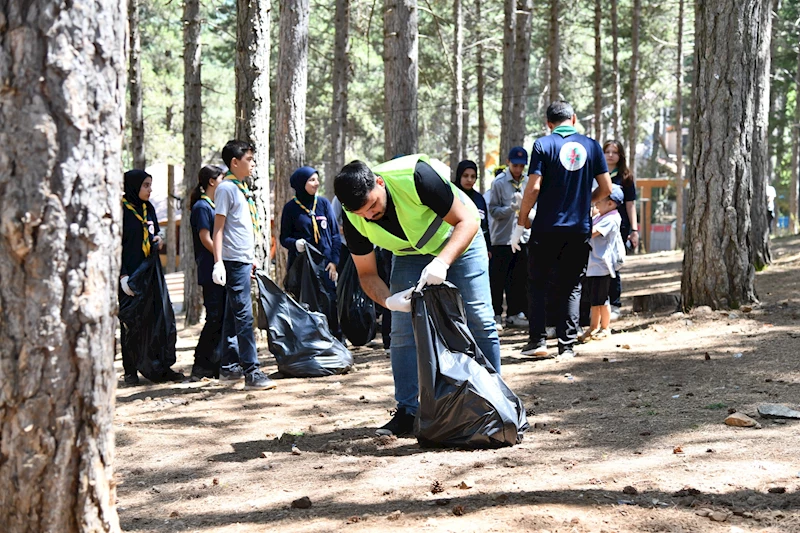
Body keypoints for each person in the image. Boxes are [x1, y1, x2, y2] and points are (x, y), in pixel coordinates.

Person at [334, 155, 499, 437]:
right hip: (409, 254)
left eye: (373, 204)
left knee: (479, 318)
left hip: (458, 237)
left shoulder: (417, 177)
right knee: (402, 330)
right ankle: (407, 411)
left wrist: (442, 262)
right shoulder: (353, 217)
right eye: (362, 213)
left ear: (379, 182)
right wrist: (388, 302)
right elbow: (367, 274)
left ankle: (496, 403)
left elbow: (468, 220)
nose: (370, 215)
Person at [511, 100, 612, 359]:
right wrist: (584, 202)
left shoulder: (543, 145)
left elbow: (533, 188)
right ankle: (567, 345)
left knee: (537, 283)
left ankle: (538, 342)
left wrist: (522, 220)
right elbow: (606, 189)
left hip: (546, 227)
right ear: (574, 119)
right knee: (572, 285)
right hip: (578, 228)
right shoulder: (591, 146)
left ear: (549, 124)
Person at [212, 140, 276, 390]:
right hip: (232, 260)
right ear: (234, 162)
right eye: (248, 159)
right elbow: (219, 228)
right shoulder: (227, 189)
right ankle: (252, 371)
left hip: (242, 258)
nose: (252, 164)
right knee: (243, 314)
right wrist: (218, 262)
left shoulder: (240, 189)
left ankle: (229, 366)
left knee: (233, 312)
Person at [119, 169, 184, 385]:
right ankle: (130, 370)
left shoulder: (148, 208)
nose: (149, 189)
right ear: (133, 186)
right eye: (145, 185)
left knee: (157, 317)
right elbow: (116, 246)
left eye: (150, 185)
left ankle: (157, 365)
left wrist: (159, 240)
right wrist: (123, 275)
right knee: (131, 321)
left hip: (151, 271)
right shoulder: (121, 211)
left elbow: (155, 233)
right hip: (130, 275)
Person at [280, 166, 342, 339]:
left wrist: (334, 261)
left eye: (317, 179)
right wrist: (295, 244)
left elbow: (335, 234)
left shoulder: (323, 204)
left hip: (324, 264)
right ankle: (308, 341)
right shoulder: (291, 208)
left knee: (329, 301)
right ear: (301, 184)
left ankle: (335, 338)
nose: (316, 183)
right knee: (304, 303)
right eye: (312, 180)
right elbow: (283, 238)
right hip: (301, 265)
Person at [189, 165, 226, 381]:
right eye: (221, 178)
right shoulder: (202, 207)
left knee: (220, 316)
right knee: (214, 317)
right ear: (212, 181)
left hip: (218, 266)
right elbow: (205, 238)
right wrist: (220, 258)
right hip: (209, 268)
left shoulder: (214, 205)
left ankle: (215, 363)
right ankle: (200, 364)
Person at [489, 147, 530, 329]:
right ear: (508, 162)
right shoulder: (498, 183)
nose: (518, 169)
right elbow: (493, 210)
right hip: (502, 239)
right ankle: (496, 314)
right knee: (498, 279)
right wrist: (510, 209)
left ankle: (514, 313)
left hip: (522, 237)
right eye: (515, 165)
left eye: (522, 166)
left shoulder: (528, 182)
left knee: (519, 278)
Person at [579, 185, 625, 342]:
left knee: (602, 298)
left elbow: (591, 232)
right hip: (594, 264)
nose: (595, 203)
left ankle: (605, 327)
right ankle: (593, 327)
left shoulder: (611, 218)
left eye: (599, 200)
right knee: (594, 299)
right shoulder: (602, 216)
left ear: (610, 203)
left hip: (602, 265)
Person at [602, 140, 639, 320]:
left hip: (619, 226)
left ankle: (615, 304)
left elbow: (631, 205)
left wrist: (634, 229)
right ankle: (598, 304)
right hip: (598, 225)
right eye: (607, 151)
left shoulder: (626, 177)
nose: (610, 155)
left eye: (614, 152)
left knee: (614, 264)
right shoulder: (596, 174)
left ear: (620, 155)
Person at [454, 160, 492, 255]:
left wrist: (488, 248)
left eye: (473, 176)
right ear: (459, 176)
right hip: (452, 246)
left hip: (475, 248)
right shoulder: (451, 194)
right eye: (465, 176)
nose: (469, 180)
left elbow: (484, 226)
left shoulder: (479, 199)